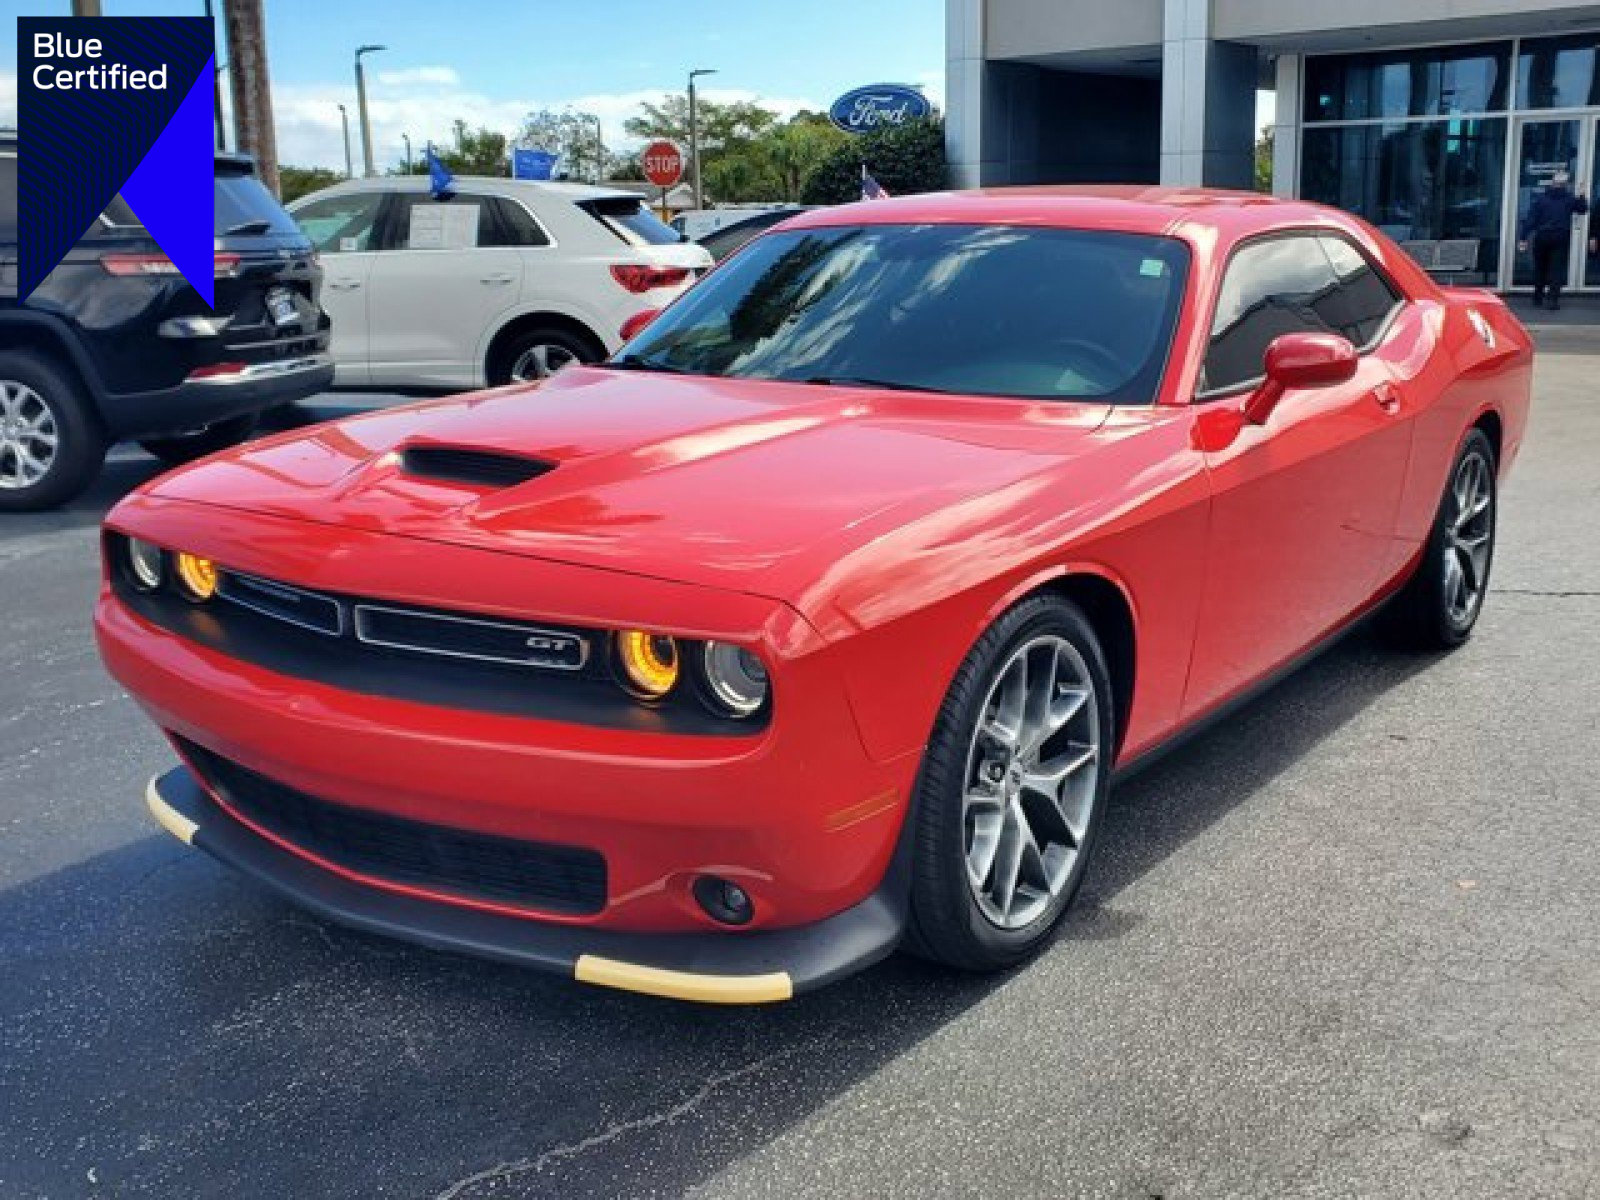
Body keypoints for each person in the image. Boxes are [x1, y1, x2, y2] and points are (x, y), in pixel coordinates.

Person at [1519, 171, 1589, 311]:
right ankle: (1552, 300)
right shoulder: (1569, 199)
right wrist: (1582, 195)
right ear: (1565, 184)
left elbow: (1531, 220)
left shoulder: (1541, 199)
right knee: (1556, 270)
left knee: (1540, 268)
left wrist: (1523, 237)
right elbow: (1583, 209)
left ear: (1552, 182)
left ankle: (1538, 296)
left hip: (1542, 236)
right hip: (1560, 237)